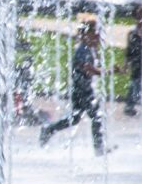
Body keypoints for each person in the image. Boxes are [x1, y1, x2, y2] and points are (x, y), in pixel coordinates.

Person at [39, 17, 110, 155]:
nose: (99, 36)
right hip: (82, 91)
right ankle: (99, 149)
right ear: (88, 34)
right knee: (96, 116)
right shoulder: (83, 50)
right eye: (96, 33)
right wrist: (109, 71)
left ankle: (49, 129)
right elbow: (88, 69)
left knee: (74, 119)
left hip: (82, 89)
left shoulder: (88, 48)